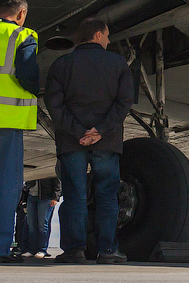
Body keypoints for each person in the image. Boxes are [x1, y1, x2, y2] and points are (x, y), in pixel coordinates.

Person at [45, 17, 133, 265]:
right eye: (106, 35)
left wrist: (78, 132)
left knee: (74, 196)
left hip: (72, 143)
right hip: (106, 142)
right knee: (107, 195)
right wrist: (100, 130)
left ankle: (75, 250)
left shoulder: (61, 64)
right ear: (97, 35)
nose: (108, 40)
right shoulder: (118, 64)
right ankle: (107, 251)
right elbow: (124, 102)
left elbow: (54, 105)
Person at [0, 0, 39, 264]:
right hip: (4, 118)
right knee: (5, 186)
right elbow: (27, 74)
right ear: (21, 14)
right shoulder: (22, 35)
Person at [25, 176, 61, 259]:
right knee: (31, 224)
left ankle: (42, 250)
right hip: (31, 196)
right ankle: (32, 249)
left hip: (46, 197)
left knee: (43, 225)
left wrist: (55, 197)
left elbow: (57, 182)